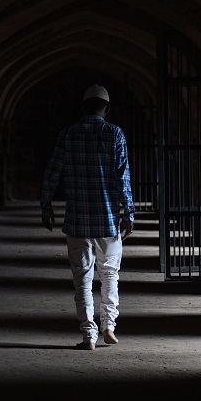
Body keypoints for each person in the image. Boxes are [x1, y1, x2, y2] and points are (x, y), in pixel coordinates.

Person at [40, 84, 135, 350]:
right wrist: (128, 213)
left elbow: (52, 173)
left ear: (84, 107)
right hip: (108, 220)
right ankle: (109, 325)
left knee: (82, 277)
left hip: (77, 220)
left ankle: (88, 334)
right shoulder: (114, 134)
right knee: (109, 274)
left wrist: (46, 207)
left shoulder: (68, 135)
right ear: (107, 108)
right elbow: (123, 177)